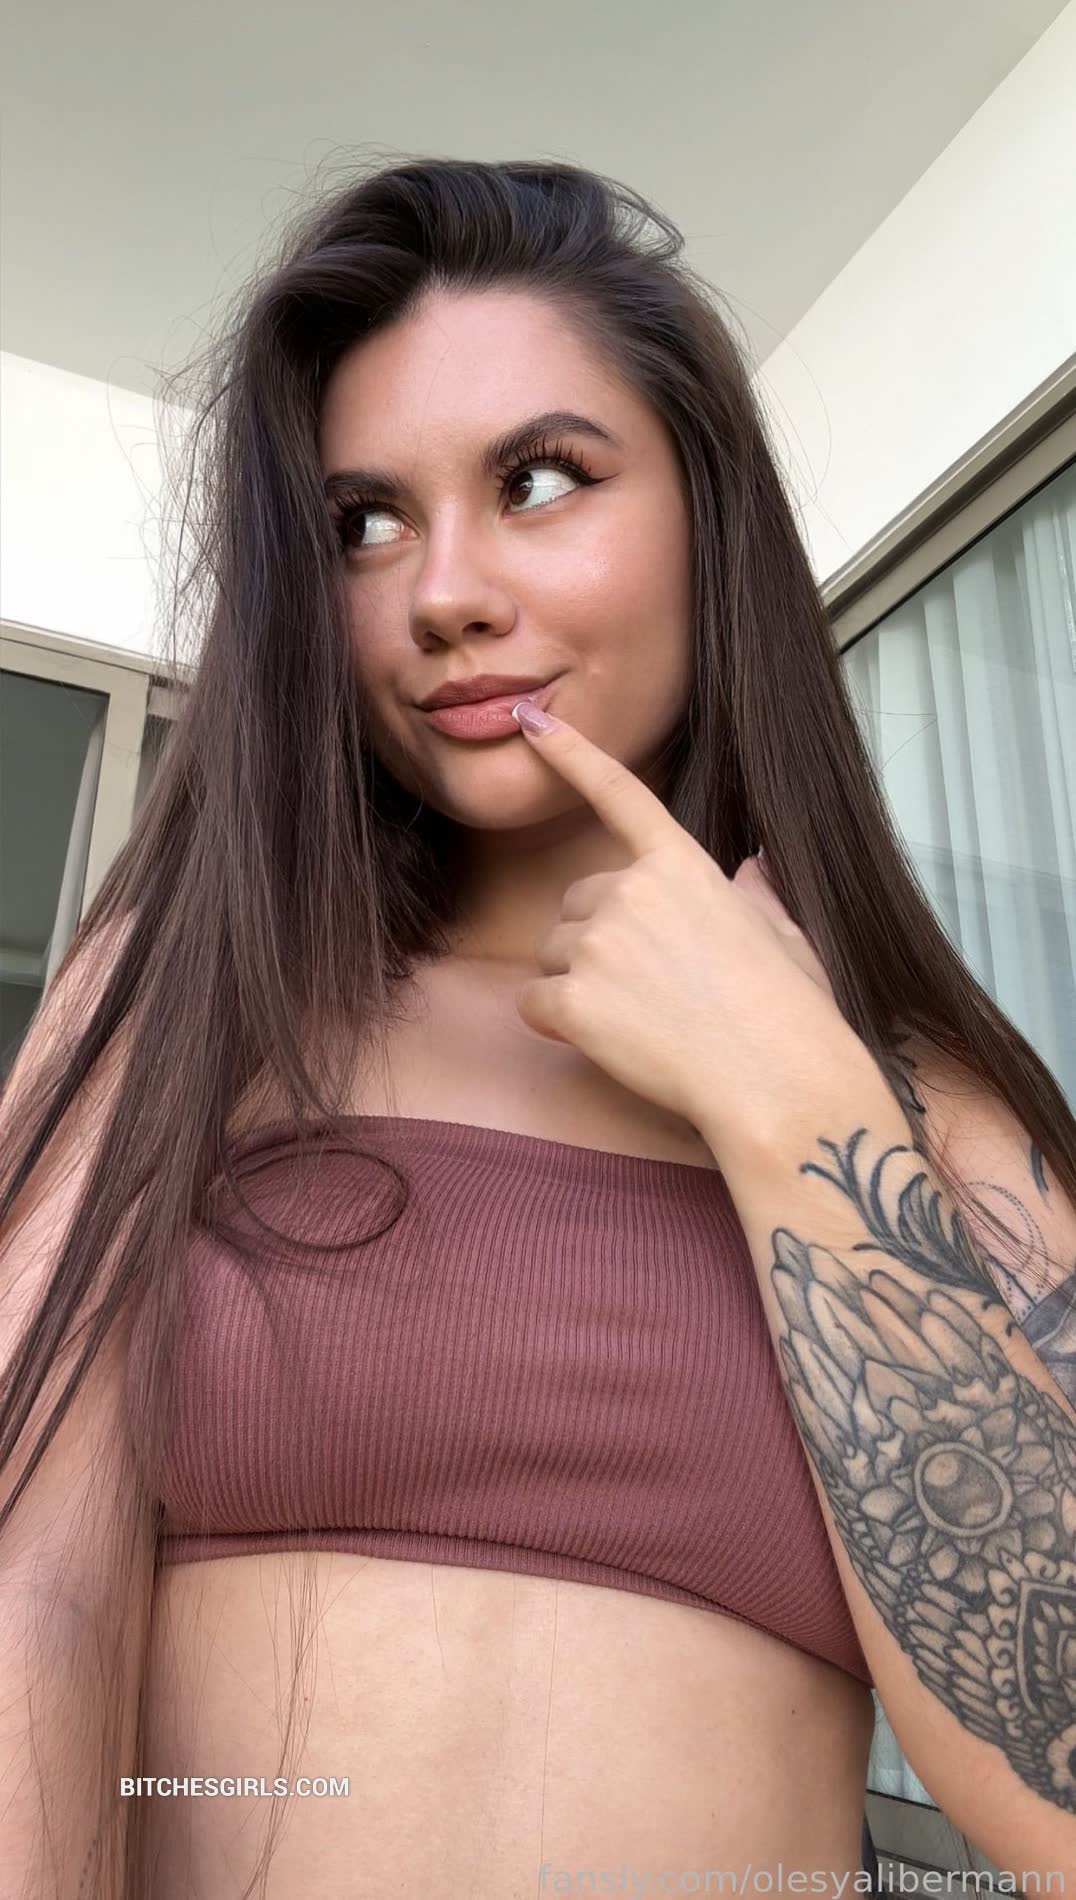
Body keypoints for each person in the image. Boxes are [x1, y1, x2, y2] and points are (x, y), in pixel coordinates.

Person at [2, 154, 1073, 1900]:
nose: (443, 592)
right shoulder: (194, 1010)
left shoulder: (916, 1109)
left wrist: (791, 1104)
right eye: (365, 524)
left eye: (541, 481)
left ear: (707, 516)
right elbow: (25, 1600)